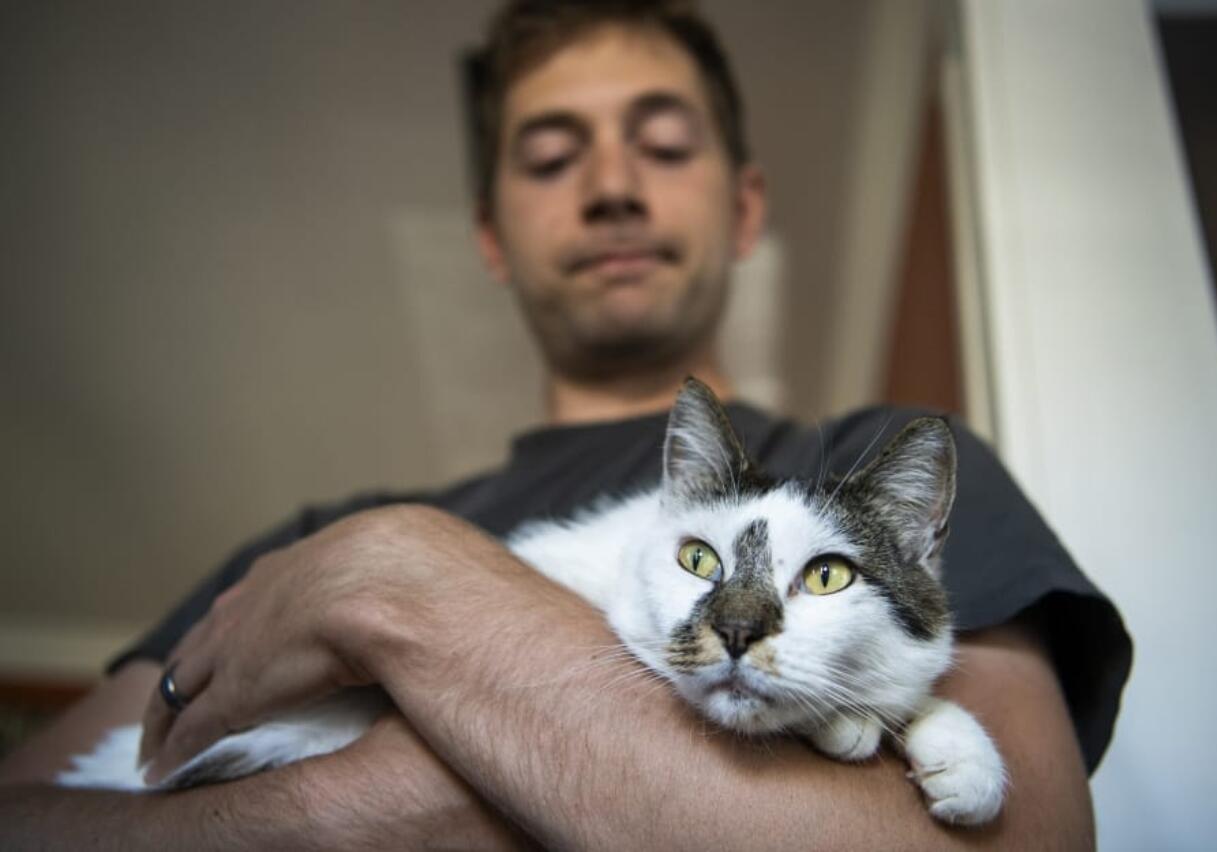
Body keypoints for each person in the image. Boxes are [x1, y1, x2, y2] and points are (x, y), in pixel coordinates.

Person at [0, 1, 1130, 848]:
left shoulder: (867, 462)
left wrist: (393, 583)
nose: (610, 189)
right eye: (550, 157)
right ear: (491, 236)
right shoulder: (294, 541)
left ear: (742, 206)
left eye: (664, 145)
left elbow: (1016, 841)